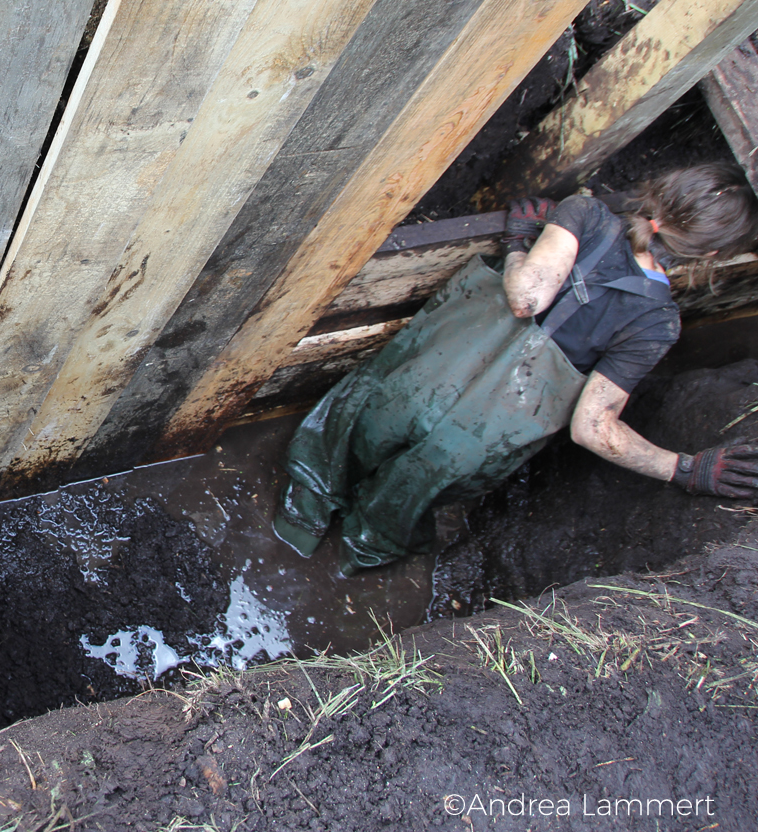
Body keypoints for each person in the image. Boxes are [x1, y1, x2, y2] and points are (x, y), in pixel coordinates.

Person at [273, 162, 758, 575]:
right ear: (712, 254)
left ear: (663, 190)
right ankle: (356, 558)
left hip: (427, 375)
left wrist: (519, 244)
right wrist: (682, 469)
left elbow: (526, 296)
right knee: (409, 492)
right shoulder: (658, 322)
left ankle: (300, 519)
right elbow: (593, 428)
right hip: (481, 437)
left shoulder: (586, 214)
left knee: (354, 429)